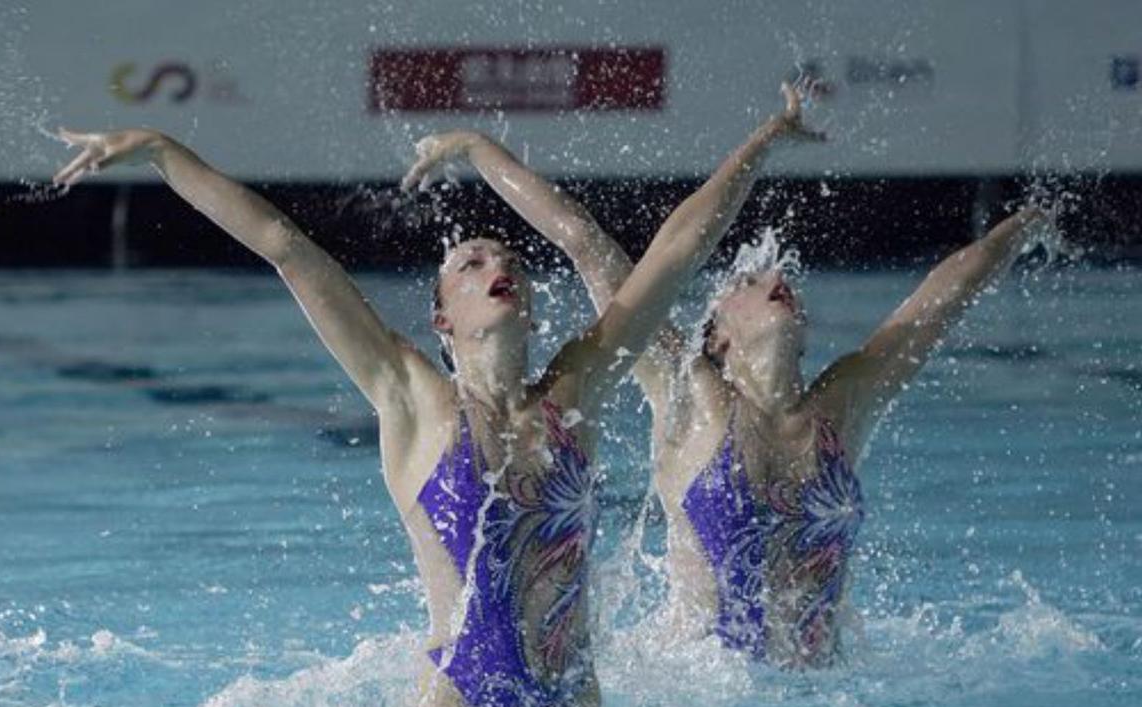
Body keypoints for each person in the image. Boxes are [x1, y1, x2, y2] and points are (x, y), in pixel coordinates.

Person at [51, 82, 819, 707]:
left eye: (510, 259)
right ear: (441, 317)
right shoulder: (412, 399)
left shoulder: (577, 390)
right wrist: (162, 151)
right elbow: (285, 245)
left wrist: (767, 138)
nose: (499, 265)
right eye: (471, 262)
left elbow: (676, 252)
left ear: (534, 310)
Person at [407, 81, 1046, 668]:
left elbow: (933, 306)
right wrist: (477, 148)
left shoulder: (841, 408)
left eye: (780, 276)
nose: (777, 279)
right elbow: (586, 242)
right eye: (750, 279)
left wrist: (1025, 224)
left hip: (818, 697)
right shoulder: (691, 394)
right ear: (716, 334)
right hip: (704, 688)